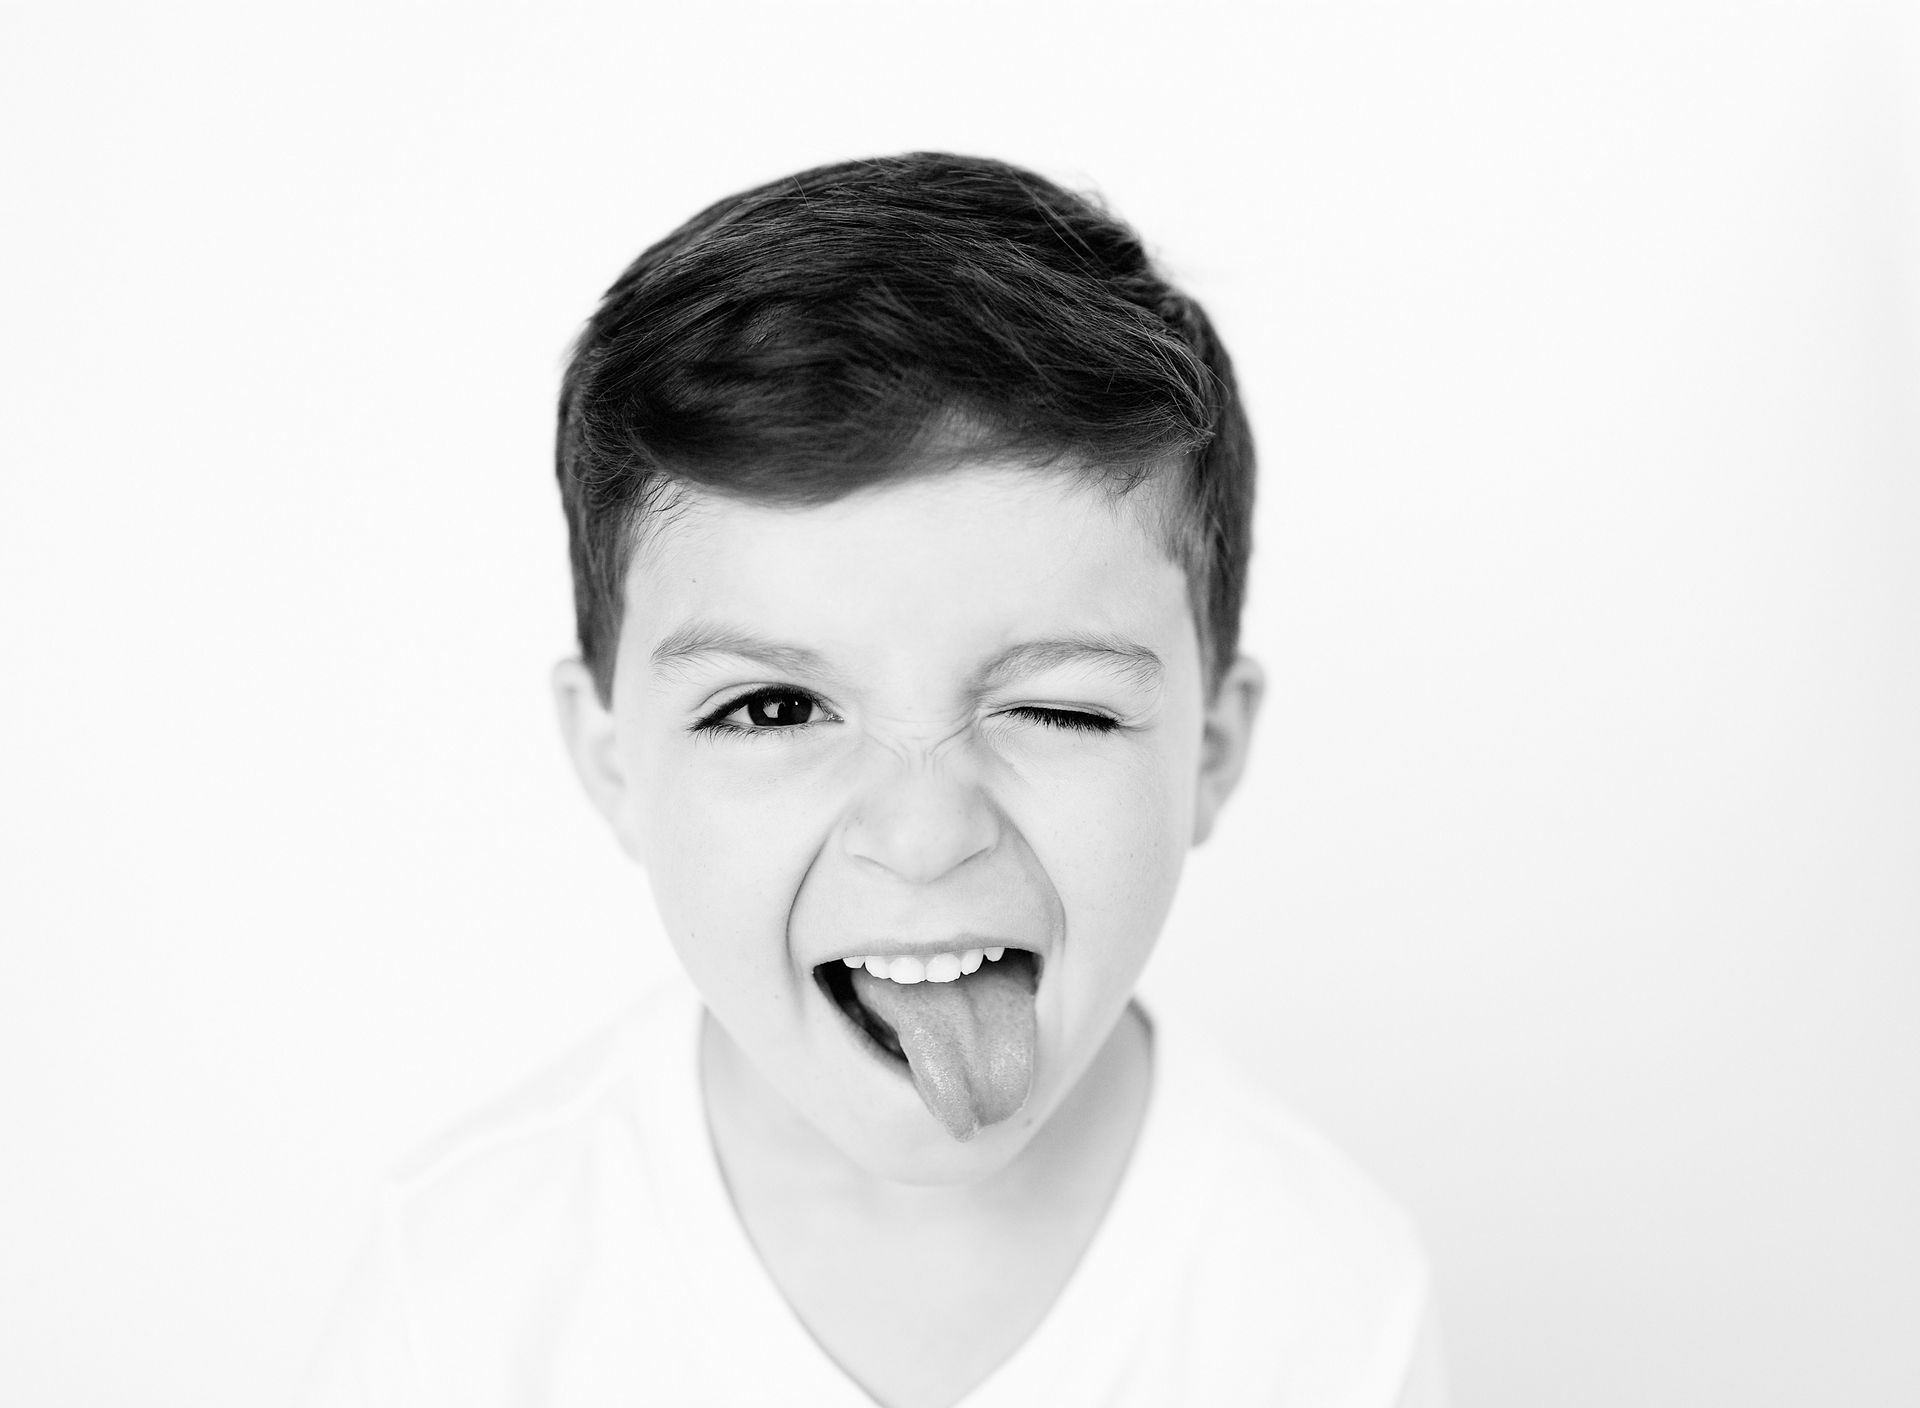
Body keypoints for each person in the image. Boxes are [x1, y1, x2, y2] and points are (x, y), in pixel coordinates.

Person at [300, 152, 1446, 1407]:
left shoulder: (1325, 1305)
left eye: (1056, 707)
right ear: (611, 756)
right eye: (775, 707)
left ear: (1211, 751)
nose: (923, 831)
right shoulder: (466, 1288)